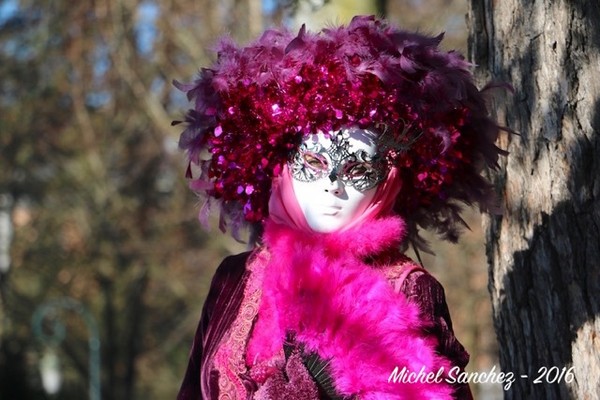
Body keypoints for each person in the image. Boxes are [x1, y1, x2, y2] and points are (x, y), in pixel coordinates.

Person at [174, 15, 505, 400]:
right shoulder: (234, 278)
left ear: (387, 183)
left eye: (358, 169)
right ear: (282, 169)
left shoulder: (409, 288)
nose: (333, 184)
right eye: (313, 164)